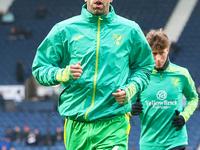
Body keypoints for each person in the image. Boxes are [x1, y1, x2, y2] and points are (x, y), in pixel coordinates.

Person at [31, 0, 155, 149]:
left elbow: (145, 67)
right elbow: (39, 68)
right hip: (76, 124)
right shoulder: (64, 29)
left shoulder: (130, 30)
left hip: (113, 121)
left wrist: (130, 89)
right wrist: (62, 74)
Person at [131, 29, 199, 150]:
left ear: (167, 50)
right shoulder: (140, 75)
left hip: (176, 142)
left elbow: (193, 98)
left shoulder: (182, 74)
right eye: (154, 53)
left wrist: (184, 116)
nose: (158, 58)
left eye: (161, 53)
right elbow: (123, 100)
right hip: (149, 143)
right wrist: (130, 108)